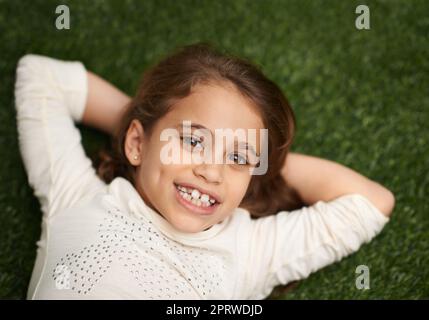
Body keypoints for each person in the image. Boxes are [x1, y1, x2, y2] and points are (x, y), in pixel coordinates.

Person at [14, 43, 395, 299]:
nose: (212, 171)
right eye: (193, 141)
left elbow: (371, 203)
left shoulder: (248, 251)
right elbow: (42, 77)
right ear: (135, 144)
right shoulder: (78, 195)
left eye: (239, 159)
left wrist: (266, 160)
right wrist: (143, 123)